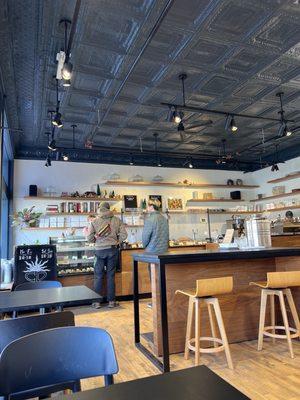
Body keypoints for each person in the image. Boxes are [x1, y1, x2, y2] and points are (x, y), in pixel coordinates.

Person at [87, 202, 127, 308]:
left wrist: (97, 239)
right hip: (112, 250)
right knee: (110, 275)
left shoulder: (94, 221)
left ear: (100, 209)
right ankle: (111, 302)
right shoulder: (117, 220)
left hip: (99, 251)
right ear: (109, 209)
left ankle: (96, 302)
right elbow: (124, 235)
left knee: (98, 276)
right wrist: (117, 241)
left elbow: (89, 238)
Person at [142, 199, 169, 308]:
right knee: (162, 277)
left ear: (151, 206)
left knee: (154, 278)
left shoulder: (150, 219)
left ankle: (155, 302)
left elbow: (145, 238)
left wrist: (145, 246)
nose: (147, 208)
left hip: (152, 253)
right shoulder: (164, 218)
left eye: (148, 206)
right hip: (164, 252)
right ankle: (164, 301)